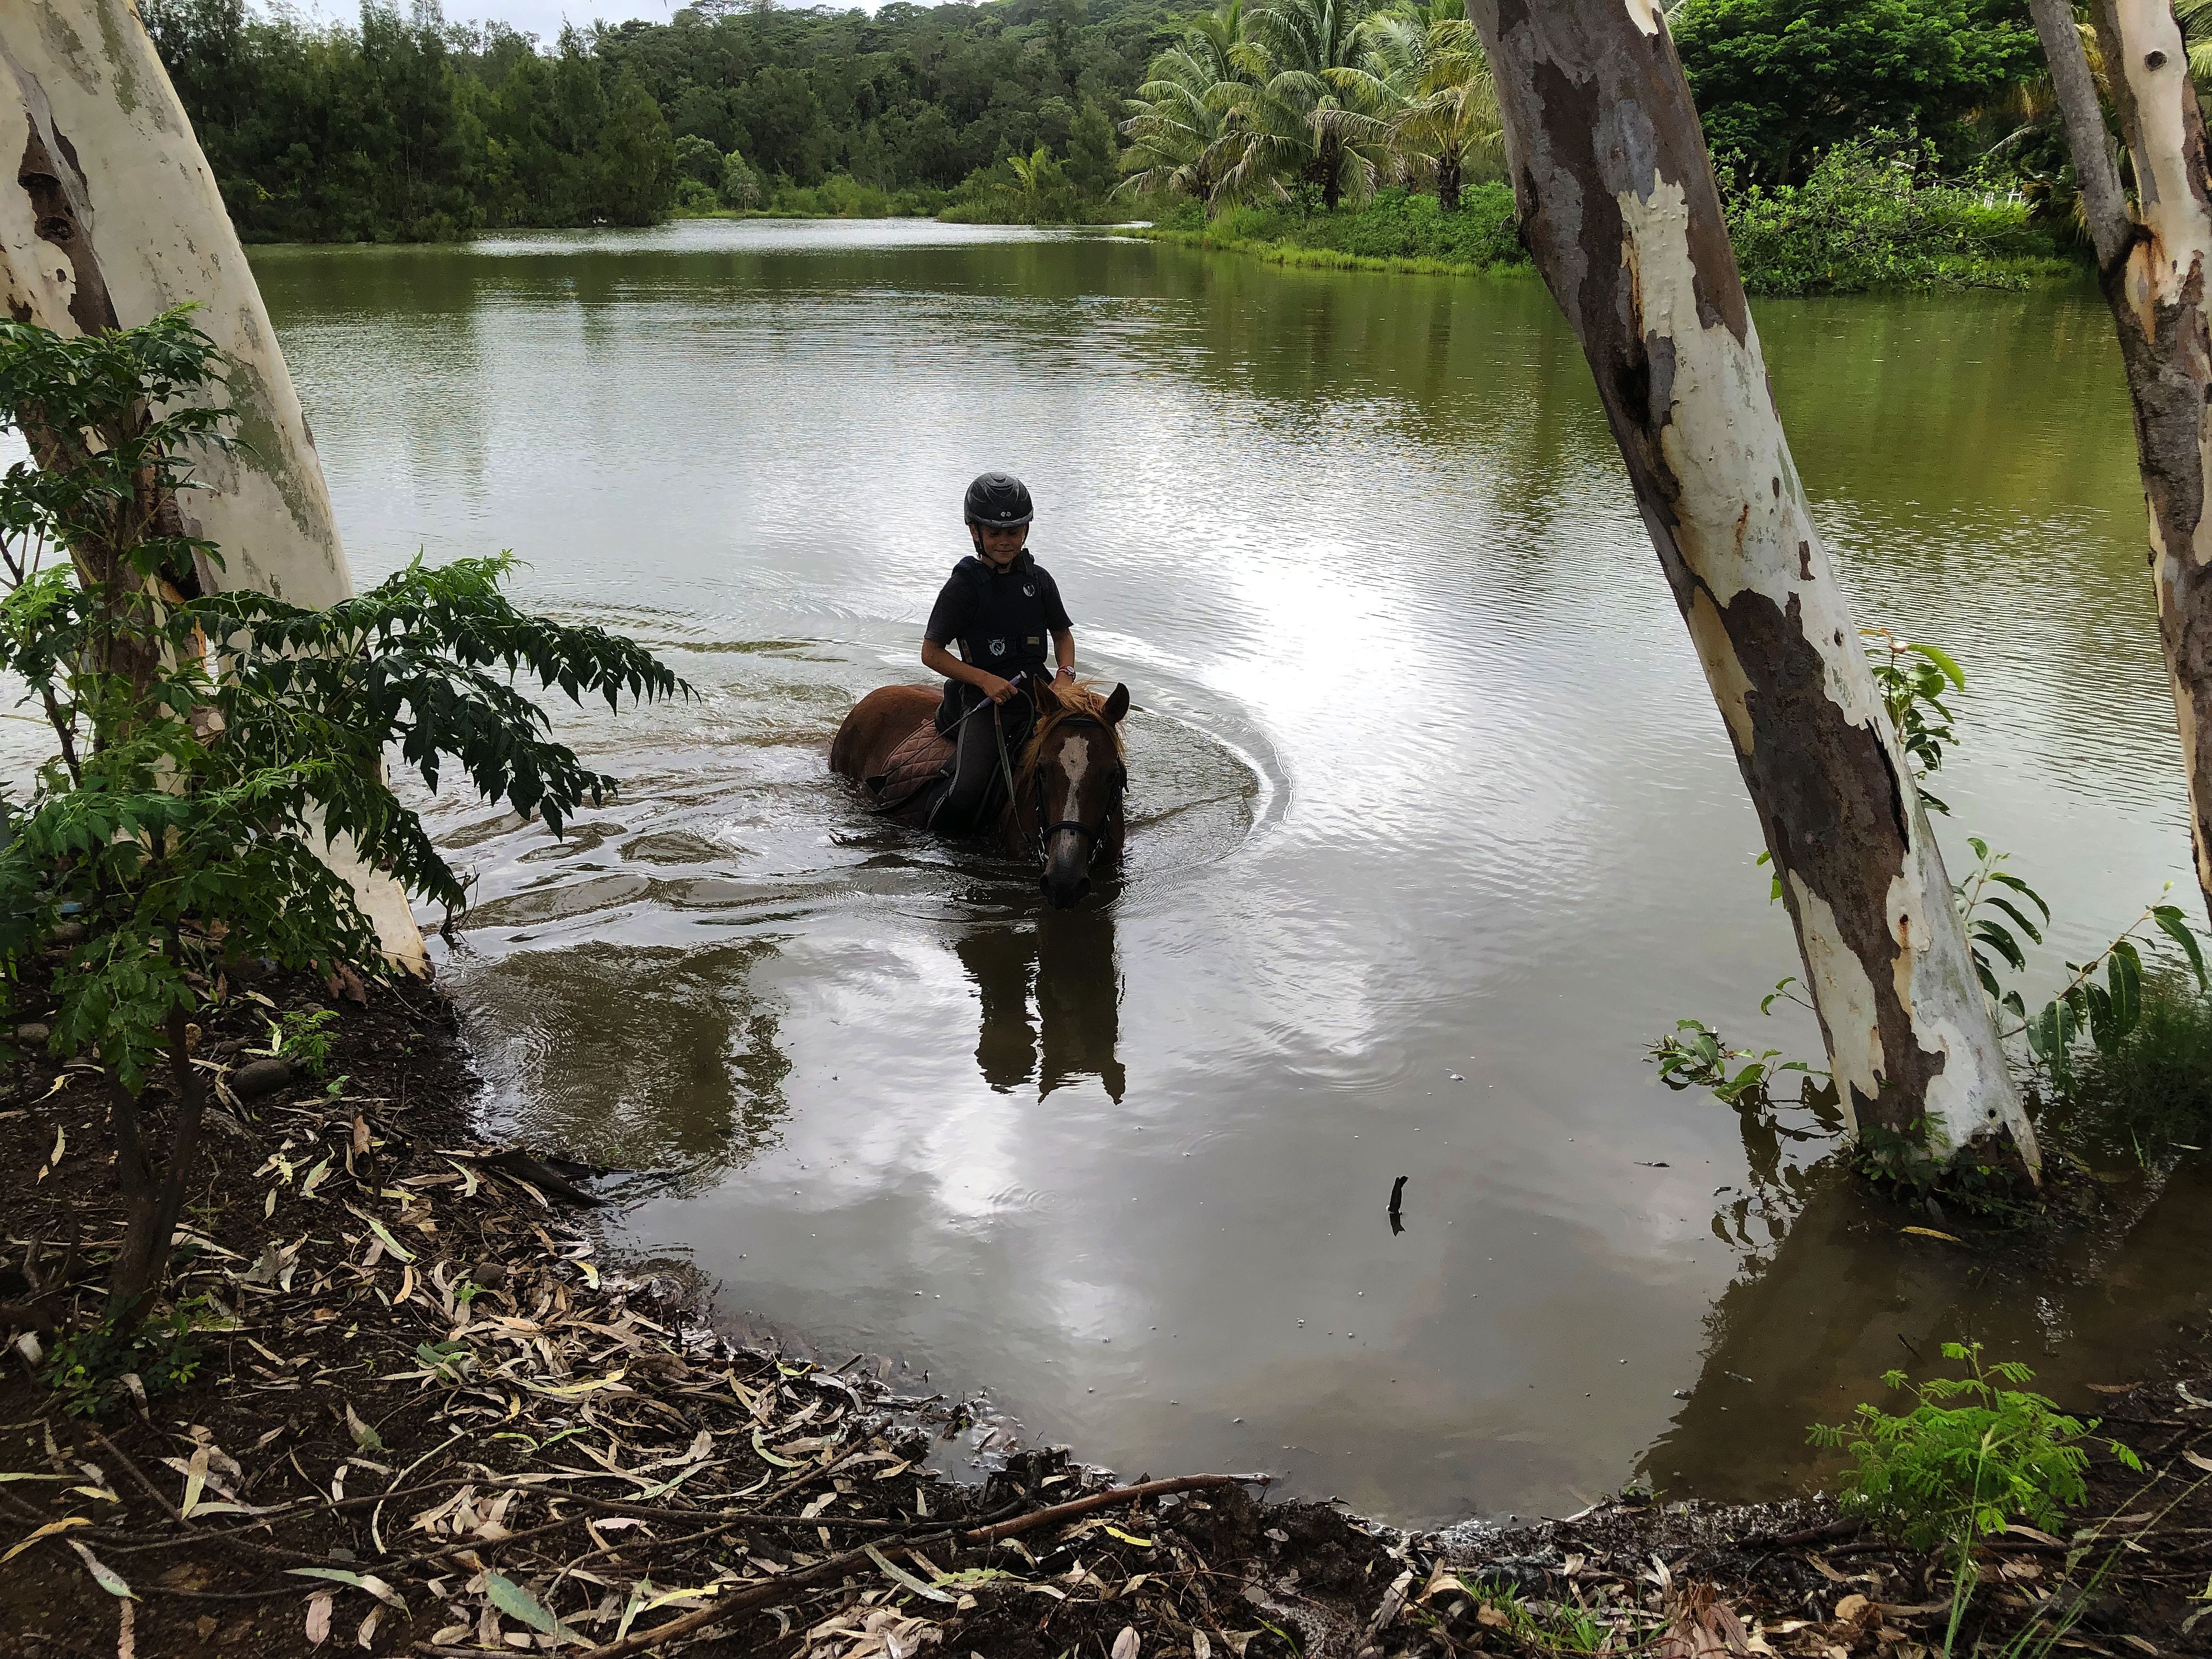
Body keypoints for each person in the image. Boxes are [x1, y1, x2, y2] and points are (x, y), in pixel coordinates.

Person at [920, 471, 1076, 834]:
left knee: (1088, 762)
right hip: (985, 699)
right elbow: (931, 653)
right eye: (995, 533)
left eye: (1013, 532)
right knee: (967, 789)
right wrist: (985, 680)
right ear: (975, 532)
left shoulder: (1039, 581)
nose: (1005, 541)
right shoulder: (962, 588)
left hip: (1042, 694)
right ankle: (933, 841)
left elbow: (1063, 636)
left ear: (1025, 532)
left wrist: (1065, 677)